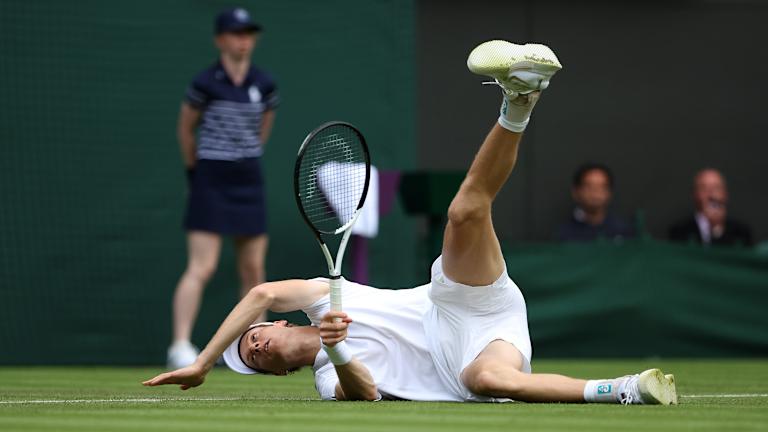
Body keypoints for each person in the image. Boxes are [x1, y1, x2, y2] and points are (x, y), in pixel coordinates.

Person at [145, 40, 677, 404]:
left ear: (280, 323)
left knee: (464, 210)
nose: (256, 348)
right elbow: (367, 392)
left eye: (254, 340)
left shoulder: (318, 295)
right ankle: (625, 389)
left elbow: (259, 291)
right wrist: (336, 346)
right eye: (254, 360)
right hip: (468, 361)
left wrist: (203, 362)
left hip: (461, 300)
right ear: (279, 372)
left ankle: (519, 99)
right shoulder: (329, 377)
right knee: (492, 381)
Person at [167, 7, 279, 369]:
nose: (243, 40)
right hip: (210, 179)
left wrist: (245, 153)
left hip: (248, 179)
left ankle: (251, 349)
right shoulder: (204, 83)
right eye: (235, 33)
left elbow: (264, 126)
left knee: (253, 272)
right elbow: (186, 129)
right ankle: (180, 345)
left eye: (248, 33)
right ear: (221, 40)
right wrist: (195, 171)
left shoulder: (264, 83)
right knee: (203, 267)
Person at [668, 169, 752, 246]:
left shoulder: (740, 233)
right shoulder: (680, 231)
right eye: (704, 188)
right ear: (695, 194)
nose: (711, 195)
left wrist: (716, 229)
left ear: (725, 194)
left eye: (716, 188)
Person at [556, 163, 634, 242]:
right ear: (576, 191)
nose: (595, 192)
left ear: (609, 192)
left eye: (602, 187)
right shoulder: (564, 234)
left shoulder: (622, 231)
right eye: (589, 187)